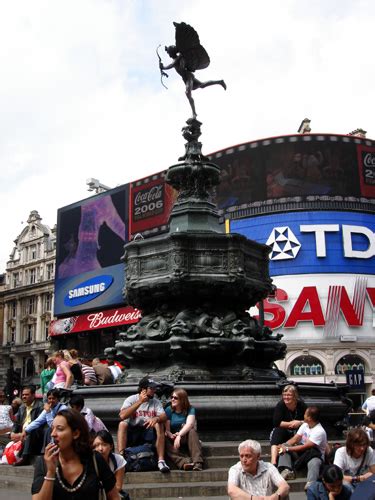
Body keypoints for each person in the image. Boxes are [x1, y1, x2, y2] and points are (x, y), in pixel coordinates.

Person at [31, 408, 120, 499]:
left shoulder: (94, 459)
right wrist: (50, 472)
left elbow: (115, 497)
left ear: (76, 433)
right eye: (52, 429)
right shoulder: (44, 462)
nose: (53, 434)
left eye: (59, 429)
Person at [118, 376, 170, 473]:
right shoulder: (131, 399)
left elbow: (164, 416)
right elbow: (122, 416)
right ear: (143, 390)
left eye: (154, 388)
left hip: (148, 432)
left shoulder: (155, 402)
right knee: (122, 424)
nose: (154, 390)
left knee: (159, 424)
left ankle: (161, 460)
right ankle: (121, 459)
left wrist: (156, 418)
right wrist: (140, 402)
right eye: (151, 388)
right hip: (133, 432)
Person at [277, 406, 328, 490]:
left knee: (314, 461)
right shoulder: (305, 425)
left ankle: (311, 482)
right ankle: (287, 470)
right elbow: (296, 438)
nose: (303, 415)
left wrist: (287, 449)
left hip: (313, 455)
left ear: (309, 418)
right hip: (301, 454)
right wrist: (284, 446)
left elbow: (305, 446)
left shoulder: (319, 431)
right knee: (285, 445)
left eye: (305, 414)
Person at [165, 388, 203, 471]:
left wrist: (179, 435)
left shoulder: (190, 409)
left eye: (175, 398)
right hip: (173, 439)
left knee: (192, 430)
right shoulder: (168, 410)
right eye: (172, 397)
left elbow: (190, 424)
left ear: (182, 399)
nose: (172, 399)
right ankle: (184, 462)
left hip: (185, 437)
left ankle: (198, 462)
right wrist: (171, 434)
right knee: (163, 437)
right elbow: (167, 429)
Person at [270, 384, 306, 468]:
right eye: (284, 395)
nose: (286, 397)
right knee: (277, 433)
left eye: (289, 395)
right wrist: (291, 424)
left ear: (295, 396)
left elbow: (308, 420)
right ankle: (273, 462)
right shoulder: (281, 405)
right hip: (284, 430)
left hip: (298, 431)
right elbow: (276, 422)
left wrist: (299, 422)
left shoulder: (301, 405)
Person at [10, 385, 44, 466]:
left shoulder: (40, 406)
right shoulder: (22, 407)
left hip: (35, 435)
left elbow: (38, 423)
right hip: (22, 433)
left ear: (33, 395)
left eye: (27, 394)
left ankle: (24, 457)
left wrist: (25, 431)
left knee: (30, 431)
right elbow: (16, 422)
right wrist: (13, 433)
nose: (24, 397)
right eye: (23, 395)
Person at [333, 428, 375, 492]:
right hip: (347, 486)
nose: (362, 448)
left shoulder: (369, 451)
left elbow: (373, 472)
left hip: (364, 485)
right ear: (351, 444)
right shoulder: (341, 452)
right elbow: (336, 477)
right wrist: (359, 478)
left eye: (364, 445)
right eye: (358, 445)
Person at [93, 430, 128, 498]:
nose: (100, 449)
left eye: (104, 444)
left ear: (111, 446)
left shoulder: (118, 460)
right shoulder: (89, 461)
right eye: (96, 445)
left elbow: (118, 486)